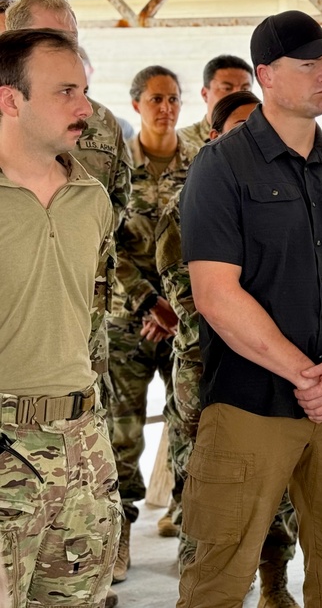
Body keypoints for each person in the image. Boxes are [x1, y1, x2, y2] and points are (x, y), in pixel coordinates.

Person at [177, 10, 322, 607]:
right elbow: (216, 294)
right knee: (218, 576)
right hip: (250, 405)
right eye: (309, 64)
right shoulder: (220, 168)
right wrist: (307, 375)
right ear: (265, 75)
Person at [5, 0, 132, 608]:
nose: (87, 106)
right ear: (11, 99)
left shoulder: (93, 199)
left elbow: (91, 308)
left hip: (80, 441)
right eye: (66, 91)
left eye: (84, 88)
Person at [158, 91, 301, 607]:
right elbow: (187, 292)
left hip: (273, 363)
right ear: (214, 136)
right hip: (208, 369)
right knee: (209, 486)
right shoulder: (194, 194)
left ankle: (275, 582)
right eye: (240, 127)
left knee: (276, 483)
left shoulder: (286, 194)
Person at [107, 65, 198, 581]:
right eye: (156, 99)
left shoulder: (203, 164)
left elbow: (205, 242)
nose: (166, 109)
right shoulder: (118, 165)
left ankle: (191, 533)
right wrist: (148, 304)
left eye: (173, 100)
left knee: (192, 426)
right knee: (122, 433)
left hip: (186, 322)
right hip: (127, 325)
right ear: (137, 103)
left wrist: (174, 307)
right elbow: (107, 244)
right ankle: (118, 534)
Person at [178, 54, 254, 148]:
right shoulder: (180, 142)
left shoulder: (261, 137)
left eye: (245, 89)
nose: (238, 96)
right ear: (205, 94)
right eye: (227, 88)